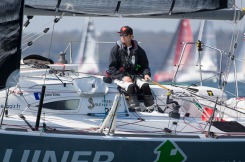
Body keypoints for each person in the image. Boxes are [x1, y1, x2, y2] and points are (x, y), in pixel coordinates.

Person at [108, 26, 156, 112]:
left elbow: (144, 66)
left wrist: (146, 73)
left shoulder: (139, 50)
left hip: (135, 75)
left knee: (145, 85)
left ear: (131, 37)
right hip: (119, 77)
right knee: (130, 86)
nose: (122, 36)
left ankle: (152, 109)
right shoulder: (115, 50)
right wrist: (123, 77)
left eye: (125, 35)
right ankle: (135, 109)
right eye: (121, 35)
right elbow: (112, 69)